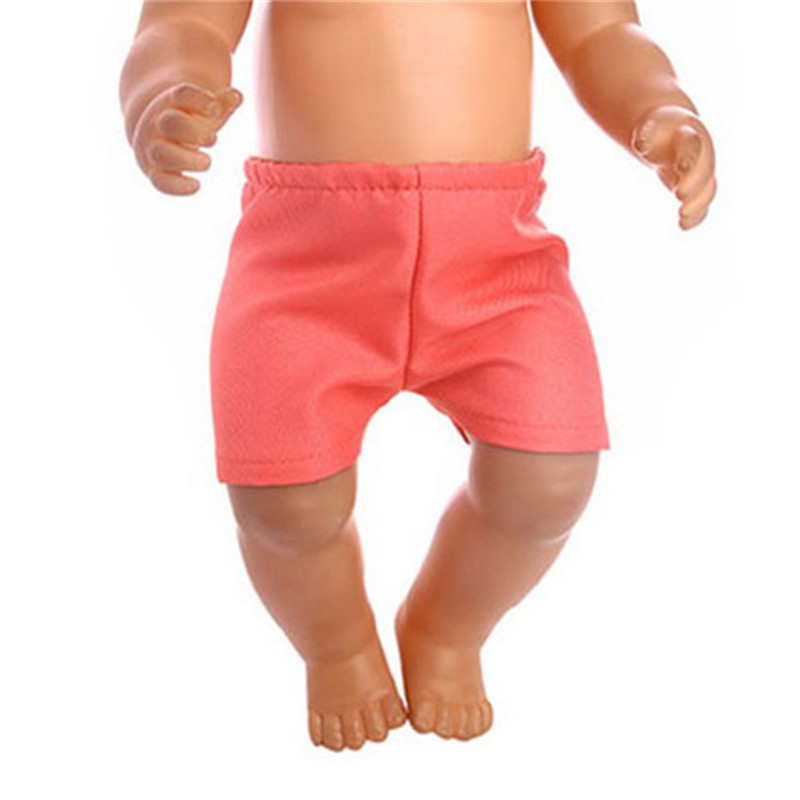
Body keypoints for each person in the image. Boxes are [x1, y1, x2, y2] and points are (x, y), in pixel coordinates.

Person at [119, 0, 717, 751]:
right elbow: (182, 25)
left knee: (550, 479)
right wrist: (162, 95)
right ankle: (336, 642)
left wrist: (660, 107)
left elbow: (602, 33)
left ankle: (448, 625)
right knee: (283, 504)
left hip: (496, 261)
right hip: (307, 265)